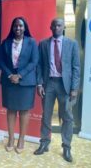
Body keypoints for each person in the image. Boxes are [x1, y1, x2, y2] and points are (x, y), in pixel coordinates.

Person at [34, 18, 80, 162]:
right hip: (49, 84)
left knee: (67, 116)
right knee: (46, 114)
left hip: (65, 85)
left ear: (64, 27)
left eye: (59, 25)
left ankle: (66, 147)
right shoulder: (43, 44)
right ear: (50, 27)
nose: (56, 27)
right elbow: (39, 65)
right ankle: (44, 143)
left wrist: (74, 88)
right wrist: (40, 84)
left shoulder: (72, 44)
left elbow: (76, 67)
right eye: (54, 25)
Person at [0, 17, 38, 153]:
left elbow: (34, 62)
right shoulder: (5, 42)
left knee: (24, 110)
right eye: (15, 26)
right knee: (11, 110)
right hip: (9, 82)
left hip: (26, 82)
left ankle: (21, 139)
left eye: (21, 26)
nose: (18, 28)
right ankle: (11, 138)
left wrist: (19, 75)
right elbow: (1, 61)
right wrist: (11, 75)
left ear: (25, 27)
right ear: (12, 27)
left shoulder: (32, 42)